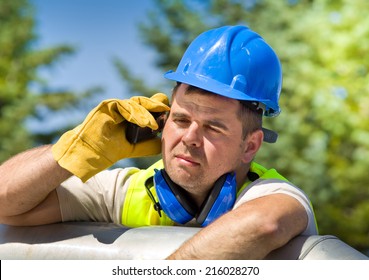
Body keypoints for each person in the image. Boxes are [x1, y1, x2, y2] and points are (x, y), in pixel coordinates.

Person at [0, 25, 318, 259]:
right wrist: (72, 152)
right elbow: (6, 203)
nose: (190, 138)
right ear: (163, 122)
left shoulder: (269, 193)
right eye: (180, 120)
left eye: (214, 128)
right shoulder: (124, 191)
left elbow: (263, 225)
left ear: (250, 146)